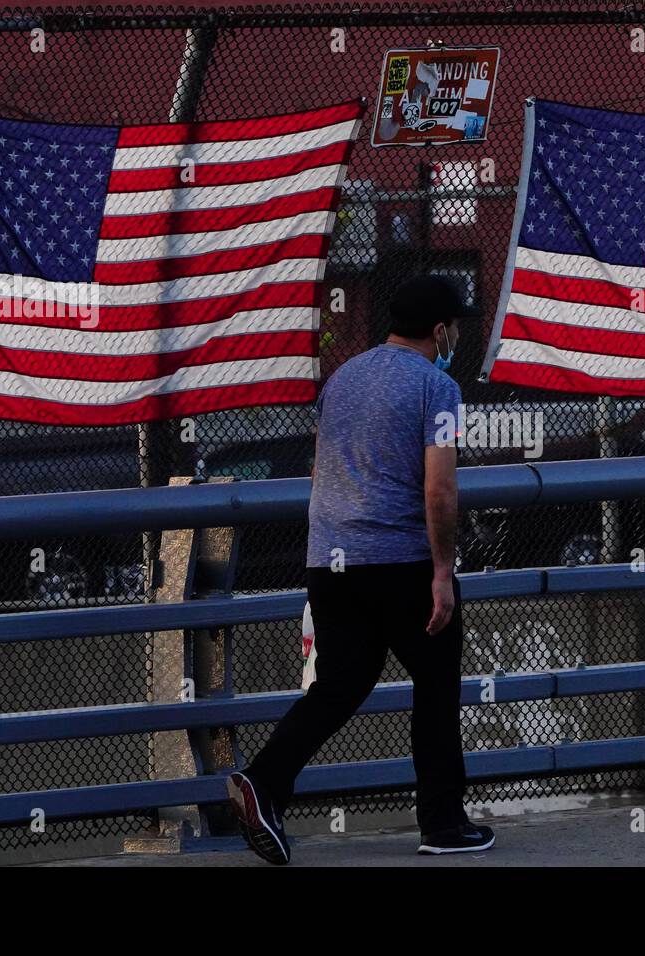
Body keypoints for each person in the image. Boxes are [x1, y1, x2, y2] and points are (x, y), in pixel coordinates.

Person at [227, 274, 494, 864]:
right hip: (401, 561)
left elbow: (324, 473)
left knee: (340, 685)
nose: (456, 338)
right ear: (440, 329)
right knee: (435, 686)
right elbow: (440, 491)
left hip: (331, 560)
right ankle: (443, 823)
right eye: (456, 327)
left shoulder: (342, 378)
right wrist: (443, 573)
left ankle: (265, 781)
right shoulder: (438, 387)